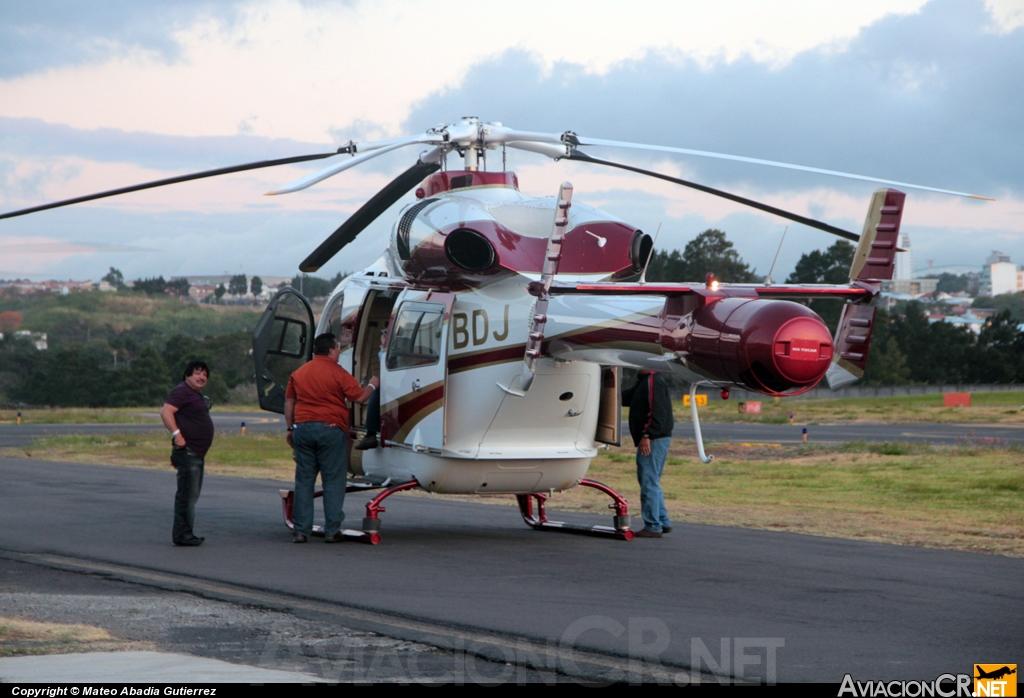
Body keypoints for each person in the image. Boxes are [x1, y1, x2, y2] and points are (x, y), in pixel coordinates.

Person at [286, 332, 378, 543]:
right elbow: (359, 396)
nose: (338, 351)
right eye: (337, 348)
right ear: (331, 350)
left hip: (302, 428)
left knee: (304, 481)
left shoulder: (299, 373)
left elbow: (289, 402)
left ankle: (301, 530)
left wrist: (290, 428)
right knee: (333, 481)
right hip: (330, 428)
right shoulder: (338, 372)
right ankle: (331, 530)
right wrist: (373, 384)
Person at [161, 361, 214, 547]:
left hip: (196, 453)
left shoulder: (194, 394)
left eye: (204, 375)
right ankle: (183, 535)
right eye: (197, 373)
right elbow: (166, 412)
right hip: (188, 452)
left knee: (191, 495)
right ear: (187, 376)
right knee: (187, 495)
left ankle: (185, 532)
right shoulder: (182, 391)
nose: (201, 377)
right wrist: (177, 435)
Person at [622, 370, 675, 538]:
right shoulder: (644, 381)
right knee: (652, 480)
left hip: (653, 439)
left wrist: (647, 435)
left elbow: (657, 410)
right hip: (657, 438)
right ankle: (662, 520)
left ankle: (653, 525)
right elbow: (628, 398)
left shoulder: (652, 380)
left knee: (648, 481)